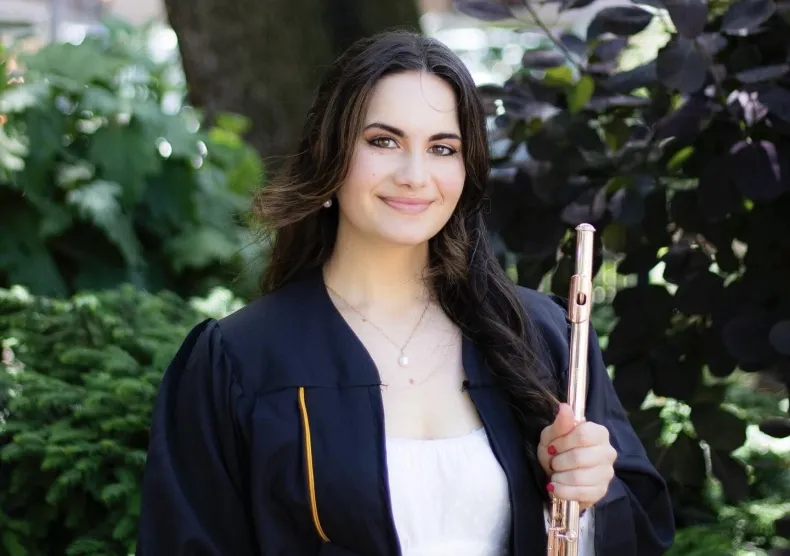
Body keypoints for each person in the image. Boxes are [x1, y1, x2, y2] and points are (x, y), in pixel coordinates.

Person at [136, 30, 675, 556]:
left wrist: (589, 497)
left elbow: (640, 532)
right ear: (330, 151)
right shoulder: (241, 361)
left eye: (443, 148)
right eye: (384, 141)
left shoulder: (544, 337)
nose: (416, 175)